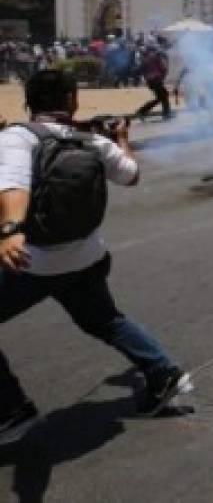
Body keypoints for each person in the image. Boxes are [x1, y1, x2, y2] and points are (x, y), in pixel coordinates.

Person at [0, 70, 191, 444]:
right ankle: (164, 374)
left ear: (29, 103)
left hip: (33, 262)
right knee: (105, 320)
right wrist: (120, 138)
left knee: (103, 319)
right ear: (71, 101)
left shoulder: (17, 138)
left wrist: (10, 231)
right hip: (85, 257)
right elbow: (131, 175)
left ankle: (11, 408)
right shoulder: (92, 142)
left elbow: (14, 185)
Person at [135, 44, 172, 121]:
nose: (154, 52)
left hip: (152, 81)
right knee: (164, 96)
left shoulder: (145, 59)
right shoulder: (154, 58)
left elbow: (140, 70)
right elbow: (163, 68)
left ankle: (142, 111)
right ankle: (166, 114)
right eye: (153, 51)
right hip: (155, 80)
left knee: (161, 97)